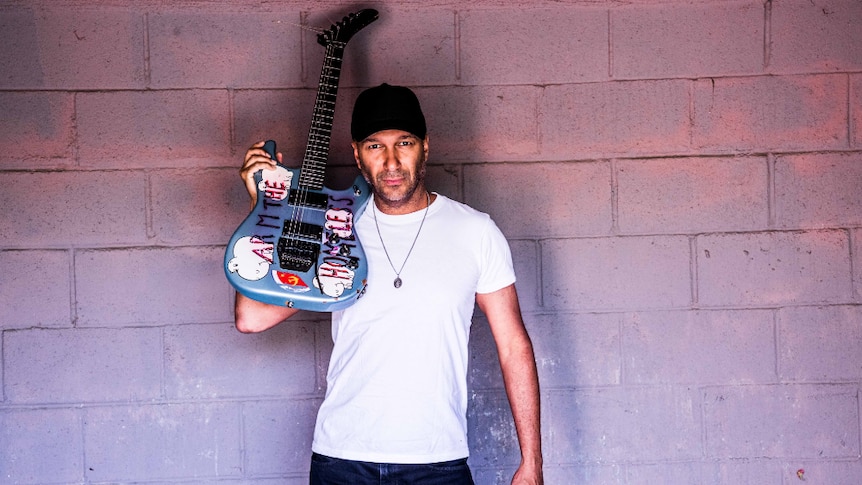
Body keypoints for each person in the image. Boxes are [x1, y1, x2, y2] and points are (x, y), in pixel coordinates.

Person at [235, 83, 543, 485]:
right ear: (358, 156)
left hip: (438, 463)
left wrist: (532, 461)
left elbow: (513, 346)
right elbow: (252, 318)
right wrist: (265, 210)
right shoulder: (333, 230)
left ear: (425, 147)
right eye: (375, 146)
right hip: (342, 460)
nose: (392, 161)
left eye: (405, 143)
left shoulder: (475, 232)